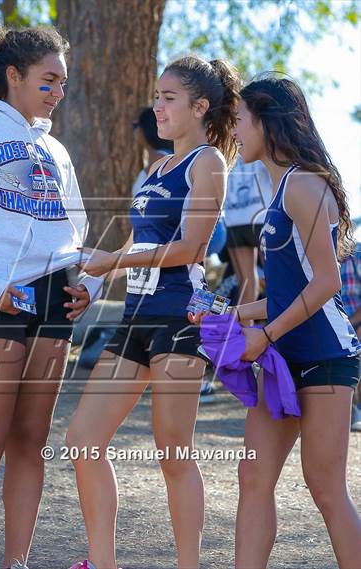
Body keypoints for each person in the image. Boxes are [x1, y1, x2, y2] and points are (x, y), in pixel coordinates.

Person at [65, 55, 240, 569]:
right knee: (83, 440)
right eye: (157, 96)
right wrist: (94, 284)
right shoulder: (157, 166)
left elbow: (190, 249)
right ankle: (102, 562)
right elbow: (141, 244)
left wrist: (112, 263)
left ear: (200, 106)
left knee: (173, 454)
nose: (157, 107)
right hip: (135, 320)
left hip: (178, 321)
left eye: (168, 98)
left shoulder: (208, 162)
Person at [0, 25, 101, 569]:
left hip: (55, 300)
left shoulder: (54, 148)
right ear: (13, 76)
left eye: (62, 82)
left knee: (31, 440)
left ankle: (17, 562)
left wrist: (90, 286)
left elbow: (79, 229)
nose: (58, 92)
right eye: (48, 80)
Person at [190, 75, 361, 568]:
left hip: (327, 359)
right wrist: (227, 312)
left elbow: (326, 284)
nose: (235, 131)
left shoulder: (303, 184)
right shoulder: (282, 187)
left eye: (240, 119)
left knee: (325, 489)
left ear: (267, 120)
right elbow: (288, 293)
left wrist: (262, 335)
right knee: (253, 477)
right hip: (284, 358)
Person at [224, 156, 271, 324]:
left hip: (234, 219)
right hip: (260, 217)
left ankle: (244, 339)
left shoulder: (224, 144)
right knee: (276, 283)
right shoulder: (257, 136)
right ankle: (278, 339)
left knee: (246, 286)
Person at [340, 243, 361, 431]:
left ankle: (355, 408)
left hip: (354, 322)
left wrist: (349, 326)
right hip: (336, 325)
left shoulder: (357, 256)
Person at [131, 106, 173, 196]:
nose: (133, 131)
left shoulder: (160, 160)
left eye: (135, 125)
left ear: (145, 128)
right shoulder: (166, 156)